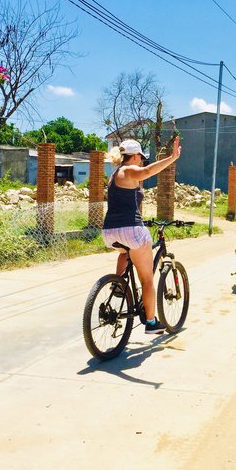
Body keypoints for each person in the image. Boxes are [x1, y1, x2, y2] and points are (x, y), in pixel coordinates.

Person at [102, 136, 181, 334]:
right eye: (141, 157)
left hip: (110, 231)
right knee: (147, 279)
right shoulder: (129, 170)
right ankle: (151, 322)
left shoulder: (114, 175)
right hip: (131, 229)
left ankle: (119, 285)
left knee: (124, 253)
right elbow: (146, 172)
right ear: (135, 156)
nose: (142, 161)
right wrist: (172, 157)